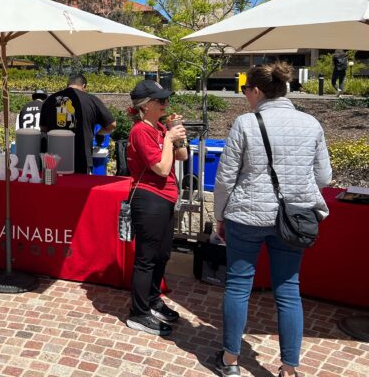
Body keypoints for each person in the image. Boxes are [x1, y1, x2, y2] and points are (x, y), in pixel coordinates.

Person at [213, 62, 331, 377]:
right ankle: (289, 368)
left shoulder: (246, 123)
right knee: (288, 289)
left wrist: (219, 215)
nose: (245, 97)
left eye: (246, 91)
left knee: (238, 286)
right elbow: (324, 176)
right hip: (292, 219)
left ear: (257, 90)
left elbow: (225, 178)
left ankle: (230, 360)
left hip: (246, 216)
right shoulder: (311, 124)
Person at [124, 79, 188, 337]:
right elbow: (161, 168)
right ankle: (138, 313)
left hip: (165, 197)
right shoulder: (141, 131)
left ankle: (152, 300)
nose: (165, 104)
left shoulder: (159, 127)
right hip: (149, 198)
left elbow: (181, 156)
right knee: (146, 258)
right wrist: (169, 139)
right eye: (160, 101)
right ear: (147, 105)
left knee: (161, 254)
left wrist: (174, 132)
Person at [39, 74, 116, 174]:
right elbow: (112, 125)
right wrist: (98, 133)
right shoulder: (91, 100)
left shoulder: (50, 100)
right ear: (84, 86)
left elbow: (43, 128)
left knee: (55, 187)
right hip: (81, 158)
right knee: (79, 188)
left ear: (67, 84)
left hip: (55, 158)